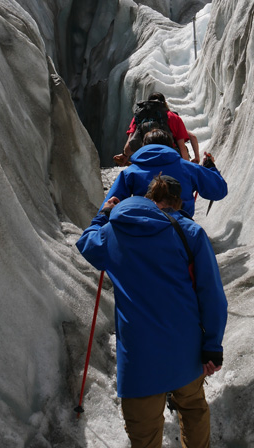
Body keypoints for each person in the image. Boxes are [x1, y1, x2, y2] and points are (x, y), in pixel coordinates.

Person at [76, 175, 227, 448]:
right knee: (192, 407)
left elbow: (86, 244)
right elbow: (211, 294)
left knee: (144, 434)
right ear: (178, 202)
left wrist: (104, 215)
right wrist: (212, 345)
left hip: (138, 354)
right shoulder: (189, 232)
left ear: (149, 198)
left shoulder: (114, 231)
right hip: (186, 346)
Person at [102, 128, 227, 217]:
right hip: (182, 229)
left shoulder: (130, 172)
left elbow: (108, 207)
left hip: (143, 230)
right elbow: (219, 191)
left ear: (144, 147)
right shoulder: (189, 168)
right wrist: (210, 166)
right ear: (171, 146)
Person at [113, 92, 196, 166]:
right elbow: (182, 147)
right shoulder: (173, 117)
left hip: (145, 158)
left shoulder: (139, 117)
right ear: (165, 103)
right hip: (169, 158)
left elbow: (130, 143)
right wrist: (187, 168)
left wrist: (124, 155)